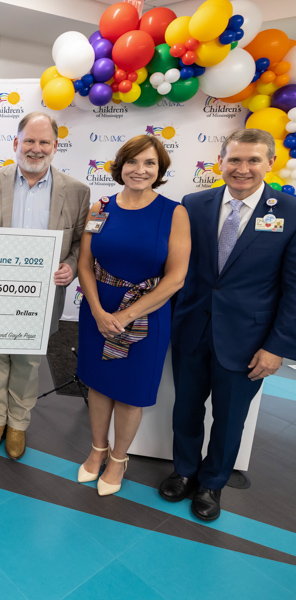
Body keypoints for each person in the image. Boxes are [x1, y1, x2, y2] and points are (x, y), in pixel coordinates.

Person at [159, 129, 296, 520]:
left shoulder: (289, 212)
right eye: (234, 159)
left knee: (230, 417)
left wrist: (277, 347)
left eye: (253, 160)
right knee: (185, 409)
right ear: (221, 162)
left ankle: (212, 483)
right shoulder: (193, 204)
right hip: (191, 330)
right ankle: (184, 471)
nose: (243, 168)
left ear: (270, 164)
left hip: (249, 341)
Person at [0, 112, 91, 459]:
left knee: (28, 362)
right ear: (16, 143)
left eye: (44, 142)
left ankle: (18, 424)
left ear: (55, 146)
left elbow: (81, 242)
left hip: (43, 295)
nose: (36, 149)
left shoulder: (77, 191)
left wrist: (69, 266)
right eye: (29, 141)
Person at [76, 135, 190, 496]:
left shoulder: (174, 212)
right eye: (133, 162)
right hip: (98, 310)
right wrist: (97, 311)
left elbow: (176, 278)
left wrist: (126, 316)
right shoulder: (101, 207)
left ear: (160, 170)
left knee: (129, 393)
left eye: (150, 163)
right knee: (98, 384)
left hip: (146, 316)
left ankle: (119, 459)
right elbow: (84, 264)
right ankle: (97, 450)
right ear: (120, 166)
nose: (140, 170)